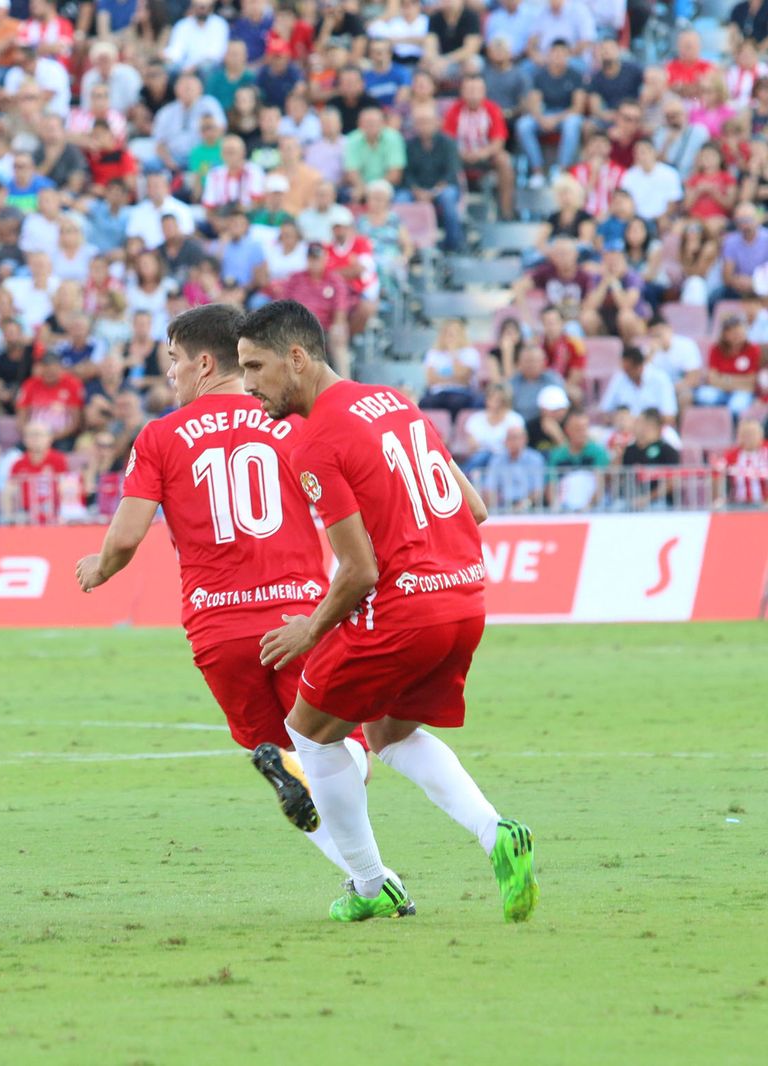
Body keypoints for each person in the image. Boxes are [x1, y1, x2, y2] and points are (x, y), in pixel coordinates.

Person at [237, 299, 537, 924]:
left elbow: (360, 571)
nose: (248, 384)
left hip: (402, 611)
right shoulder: (395, 402)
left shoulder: (314, 442)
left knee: (308, 733)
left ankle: (371, 883)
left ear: (297, 358)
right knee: (388, 734)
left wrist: (310, 629)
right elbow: (475, 508)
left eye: (256, 367)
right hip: (464, 599)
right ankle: (497, 833)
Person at [75, 302, 368, 873]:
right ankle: (361, 862)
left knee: (280, 760)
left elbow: (127, 537)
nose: (170, 373)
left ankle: (370, 882)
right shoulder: (291, 420)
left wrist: (100, 568)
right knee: (341, 749)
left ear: (204, 363)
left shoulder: (159, 435)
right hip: (298, 621)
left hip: (218, 631)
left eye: (173, 360)